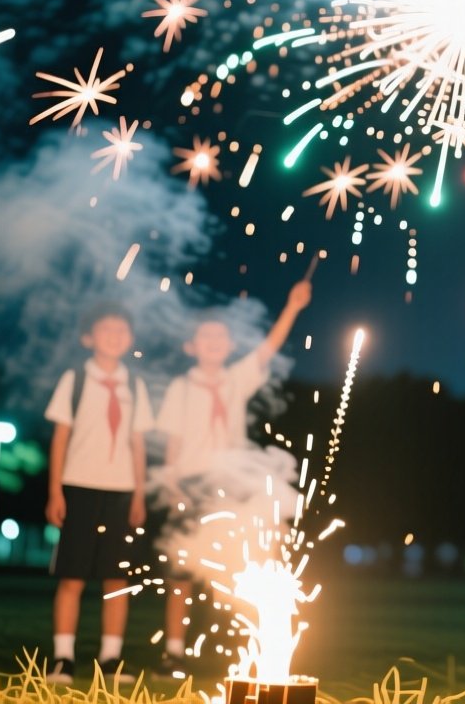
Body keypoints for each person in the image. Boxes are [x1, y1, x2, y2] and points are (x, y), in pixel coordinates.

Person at [153, 279, 312, 675]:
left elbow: (268, 349)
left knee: (235, 569)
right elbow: (172, 440)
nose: (214, 340)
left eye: (221, 336)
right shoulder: (180, 387)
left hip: (235, 484)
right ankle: (173, 651)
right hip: (191, 484)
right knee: (182, 573)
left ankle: (233, 653)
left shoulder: (236, 378)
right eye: (205, 335)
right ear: (191, 346)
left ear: (229, 346)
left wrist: (292, 307)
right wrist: (172, 485)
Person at [43, 303, 154, 685]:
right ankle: (62, 657)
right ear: (88, 337)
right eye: (106, 329)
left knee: (116, 578)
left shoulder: (134, 385)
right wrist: (55, 491)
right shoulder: (75, 379)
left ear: (131, 338)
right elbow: (60, 437)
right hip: (79, 487)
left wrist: (139, 494)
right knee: (72, 577)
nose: (115, 335)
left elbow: (138, 444)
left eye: (122, 330)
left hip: (122, 491)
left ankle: (110, 658)